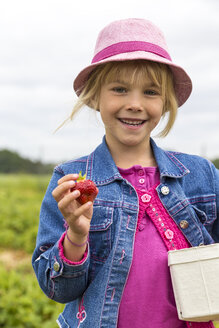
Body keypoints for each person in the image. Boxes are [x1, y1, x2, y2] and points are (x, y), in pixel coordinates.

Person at [32, 18, 219, 328]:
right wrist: (76, 236)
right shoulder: (71, 180)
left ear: (166, 101)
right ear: (95, 97)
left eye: (150, 92)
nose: (134, 104)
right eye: (119, 89)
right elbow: (58, 289)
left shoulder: (201, 175)